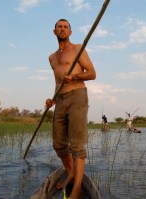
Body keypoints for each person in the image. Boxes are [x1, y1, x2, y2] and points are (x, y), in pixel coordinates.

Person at [45, 18, 96, 199]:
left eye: (66, 27)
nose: (63, 29)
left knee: (77, 145)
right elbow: (58, 83)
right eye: (59, 26)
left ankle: (76, 190)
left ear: (70, 32)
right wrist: (53, 99)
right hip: (61, 98)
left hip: (77, 96)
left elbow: (92, 73)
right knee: (58, 143)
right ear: (54, 31)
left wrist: (74, 77)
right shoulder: (52, 58)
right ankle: (71, 172)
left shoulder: (77, 49)